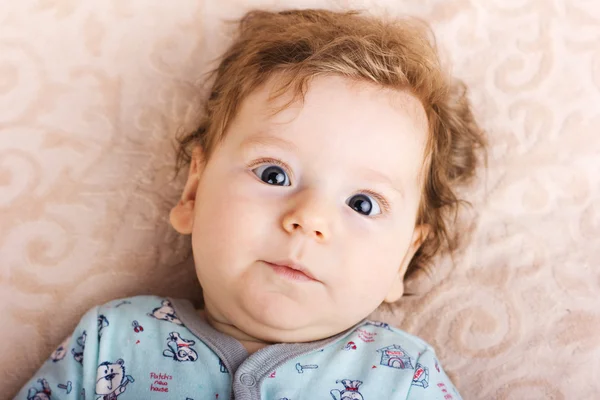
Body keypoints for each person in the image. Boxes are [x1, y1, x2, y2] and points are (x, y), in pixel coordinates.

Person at [15, 8, 485, 400]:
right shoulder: (111, 339)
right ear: (193, 193)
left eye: (362, 204)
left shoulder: (404, 377)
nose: (308, 219)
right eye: (274, 174)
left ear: (403, 257)